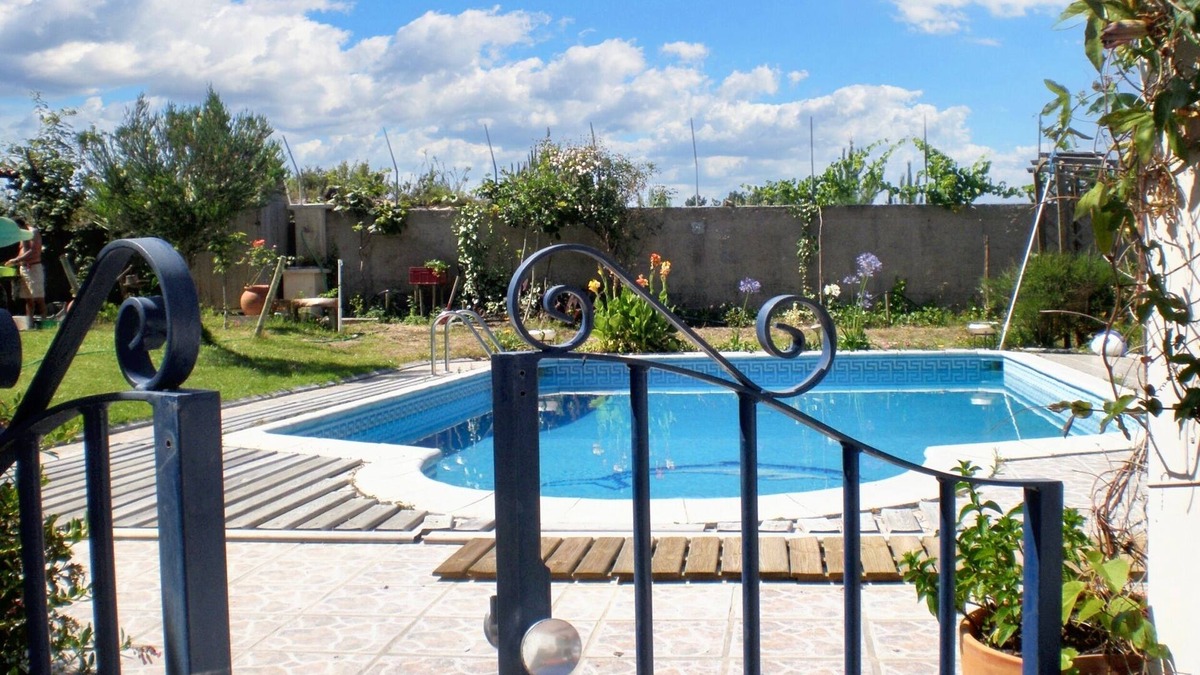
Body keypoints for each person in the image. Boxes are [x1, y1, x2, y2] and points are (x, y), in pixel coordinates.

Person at [4, 216, 47, 324]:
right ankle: (30, 323)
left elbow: (33, 251)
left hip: (33, 267)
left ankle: (45, 321)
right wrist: (17, 262)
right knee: (28, 299)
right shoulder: (22, 234)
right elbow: (24, 250)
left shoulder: (33, 232)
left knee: (38, 297)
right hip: (23, 268)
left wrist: (16, 260)